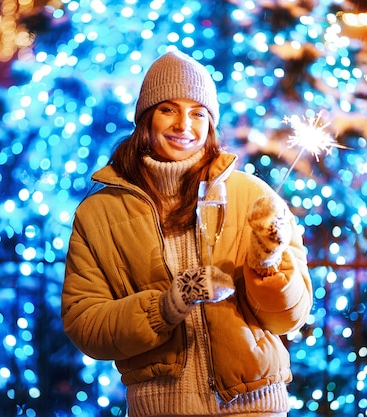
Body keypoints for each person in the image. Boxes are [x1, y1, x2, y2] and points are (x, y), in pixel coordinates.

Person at [61, 49, 313, 416]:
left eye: (198, 113)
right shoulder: (100, 212)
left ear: (211, 125)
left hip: (253, 406)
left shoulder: (254, 196)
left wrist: (267, 268)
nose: (184, 125)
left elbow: (291, 316)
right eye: (168, 109)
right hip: (160, 406)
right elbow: (85, 322)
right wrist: (165, 306)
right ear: (146, 118)